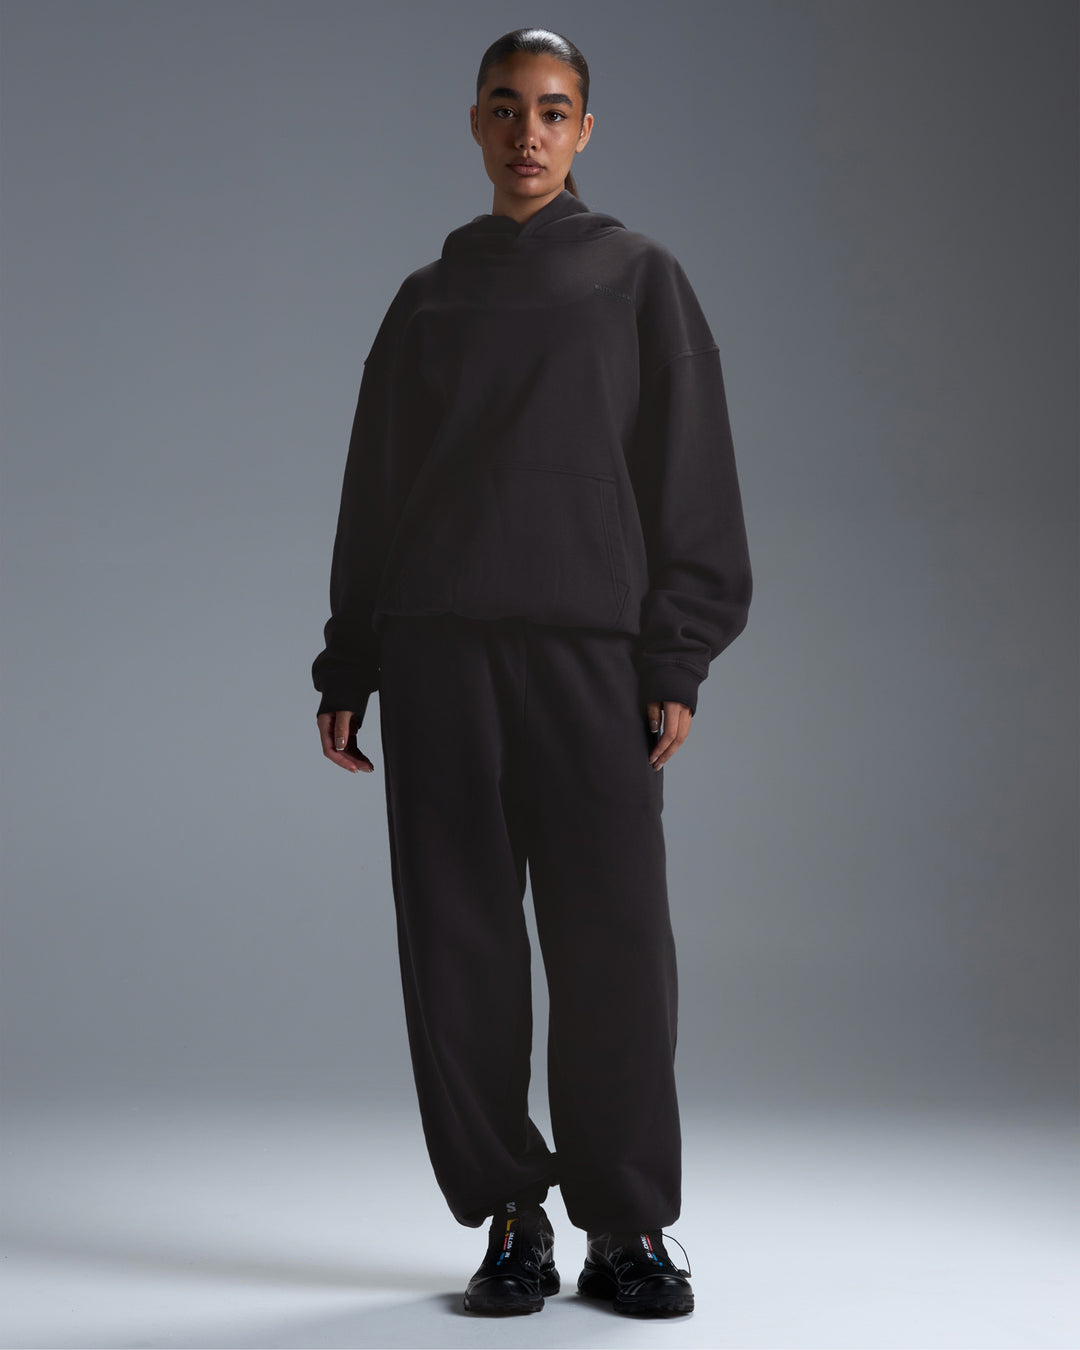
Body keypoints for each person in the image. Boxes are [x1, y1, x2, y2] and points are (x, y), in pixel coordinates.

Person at [312, 26, 752, 1320]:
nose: (528, 134)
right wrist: (351, 657)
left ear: (585, 130)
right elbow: (376, 492)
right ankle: (511, 1211)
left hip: (588, 660)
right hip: (439, 654)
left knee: (615, 944)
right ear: (474, 123)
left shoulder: (639, 279)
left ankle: (626, 1221)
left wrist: (676, 652)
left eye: (553, 111)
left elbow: (692, 477)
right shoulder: (427, 301)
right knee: (458, 947)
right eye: (505, 108)